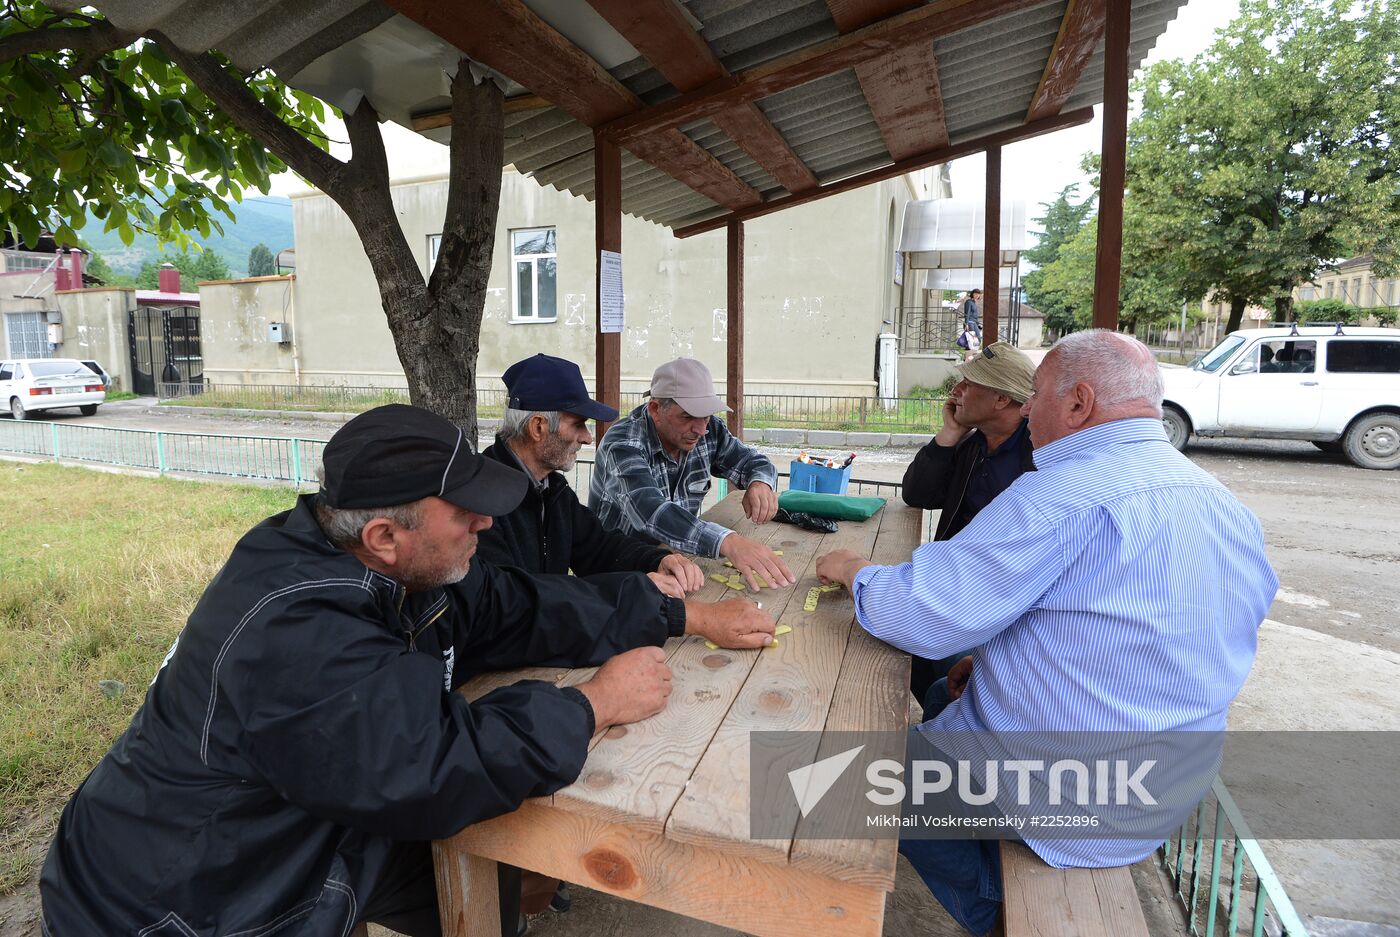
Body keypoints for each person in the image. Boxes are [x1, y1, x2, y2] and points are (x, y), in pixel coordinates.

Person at [40, 404, 775, 937]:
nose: (487, 524)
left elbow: (523, 605)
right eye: (465, 512)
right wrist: (592, 705)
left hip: (296, 823)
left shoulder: (395, 563)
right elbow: (429, 763)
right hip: (187, 899)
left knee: (501, 876)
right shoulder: (298, 630)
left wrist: (683, 616)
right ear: (386, 535)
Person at [816, 331, 1277, 936]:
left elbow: (923, 616)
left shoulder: (1060, 494)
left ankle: (993, 909)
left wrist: (854, 572)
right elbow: (1145, 631)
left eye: (1036, 395)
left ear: (1080, 401)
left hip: (1075, 792)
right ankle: (979, 841)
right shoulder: (1221, 503)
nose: (1028, 409)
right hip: (1170, 783)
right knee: (936, 698)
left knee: (832, 778)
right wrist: (996, 659)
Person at [479, 354, 704, 599]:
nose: (587, 437)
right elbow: (513, 601)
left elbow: (599, 548)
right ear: (538, 427)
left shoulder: (552, 488)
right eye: (578, 424)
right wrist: (628, 587)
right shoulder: (482, 500)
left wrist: (658, 560)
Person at [900, 341, 1037, 702]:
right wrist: (947, 436)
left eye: (968, 384)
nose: (955, 391)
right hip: (953, 589)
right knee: (893, 640)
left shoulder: (1038, 456)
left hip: (1000, 611)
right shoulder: (974, 444)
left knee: (938, 677)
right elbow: (918, 494)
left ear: (1001, 400)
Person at [590, 357, 794, 592]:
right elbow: (651, 511)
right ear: (655, 409)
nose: (700, 429)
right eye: (687, 417)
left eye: (706, 415)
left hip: (674, 560)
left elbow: (753, 461)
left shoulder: (709, 431)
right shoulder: (623, 443)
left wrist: (760, 482)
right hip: (615, 574)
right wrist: (729, 542)